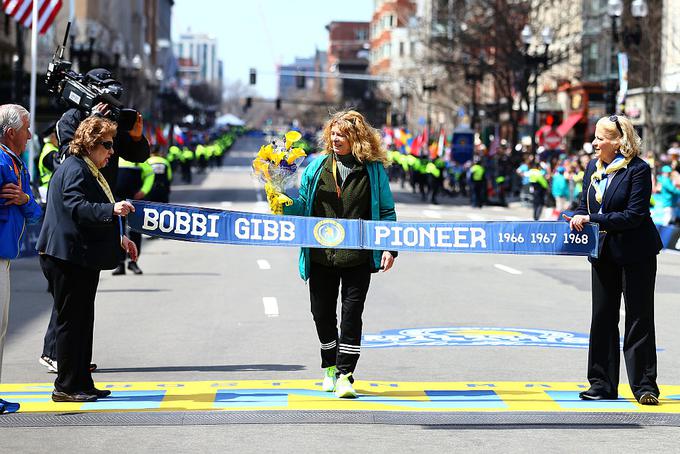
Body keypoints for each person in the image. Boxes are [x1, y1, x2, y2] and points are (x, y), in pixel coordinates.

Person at [277, 110, 397, 399]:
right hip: (321, 257)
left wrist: (390, 248)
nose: (334, 139)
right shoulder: (316, 167)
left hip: (358, 256)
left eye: (341, 134)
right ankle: (329, 367)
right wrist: (282, 202)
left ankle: (346, 375)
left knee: (352, 316)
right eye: (332, 133)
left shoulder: (373, 170)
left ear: (356, 138)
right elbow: (303, 205)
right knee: (322, 316)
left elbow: (386, 211)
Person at [40, 67, 150, 372]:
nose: (109, 151)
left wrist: (136, 135)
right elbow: (70, 157)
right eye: (106, 145)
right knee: (70, 294)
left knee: (83, 295)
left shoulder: (112, 123)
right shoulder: (71, 120)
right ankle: (56, 354)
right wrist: (90, 119)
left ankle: (75, 359)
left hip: (101, 206)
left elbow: (138, 154)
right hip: (73, 215)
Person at [37, 116, 138, 402]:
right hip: (65, 256)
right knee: (71, 322)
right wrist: (112, 210)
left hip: (79, 257)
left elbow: (90, 211)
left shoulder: (88, 168)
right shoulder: (75, 168)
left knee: (83, 320)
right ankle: (66, 386)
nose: (111, 151)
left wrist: (120, 237)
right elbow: (76, 206)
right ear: (91, 143)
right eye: (106, 145)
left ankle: (82, 380)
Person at [568, 114, 663, 405]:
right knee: (603, 318)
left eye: (600, 138)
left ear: (619, 142)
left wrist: (593, 218)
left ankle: (645, 386)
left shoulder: (637, 170)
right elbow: (584, 203)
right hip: (604, 253)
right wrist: (573, 216)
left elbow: (634, 216)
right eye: (595, 137)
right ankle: (601, 384)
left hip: (637, 253)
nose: (594, 143)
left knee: (639, 318)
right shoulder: (592, 170)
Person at [0, 104, 43, 413]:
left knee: (1, 330)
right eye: (26, 129)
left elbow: (35, 213)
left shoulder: (17, 164)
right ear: (11, 132)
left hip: (6, 258)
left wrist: (24, 198)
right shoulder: (3, 162)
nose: (30, 135)